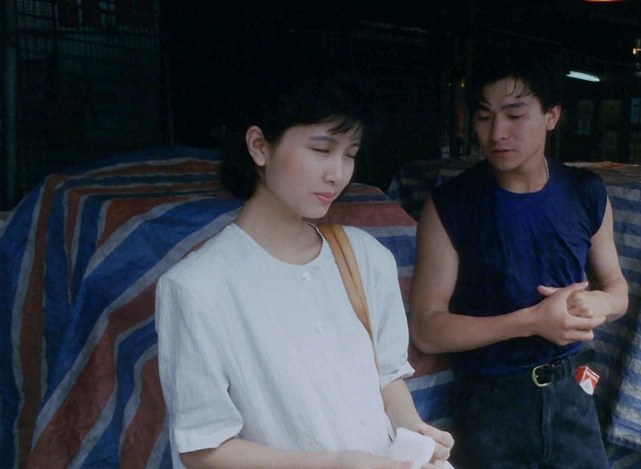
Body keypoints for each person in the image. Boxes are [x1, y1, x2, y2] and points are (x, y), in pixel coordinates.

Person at [155, 62, 453, 469]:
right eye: (321, 150)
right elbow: (203, 449)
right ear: (259, 146)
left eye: (350, 154)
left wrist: (416, 433)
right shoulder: (197, 287)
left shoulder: (365, 257)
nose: (338, 174)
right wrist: (337, 464)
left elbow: (387, 377)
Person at [409, 45, 629, 468]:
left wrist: (599, 302)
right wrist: (531, 321)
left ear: (552, 115)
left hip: (573, 389)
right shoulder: (450, 206)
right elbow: (427, 330)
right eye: (484, 116)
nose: (497, 133)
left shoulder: (585, 192)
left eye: (514, 114)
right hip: (491, 403)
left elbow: (617, 289)